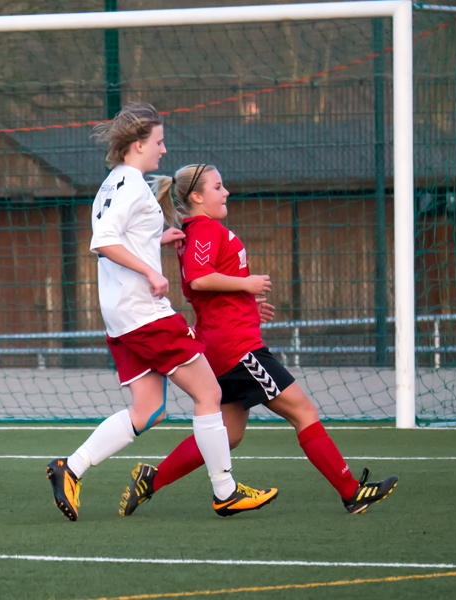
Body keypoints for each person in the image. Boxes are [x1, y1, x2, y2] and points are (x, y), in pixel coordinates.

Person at [119, 163, 398, 517]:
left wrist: (248, 303)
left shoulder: (200, 229)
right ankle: (351, 492)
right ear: (197, 197)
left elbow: (205, 288)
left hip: (225, 343)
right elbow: (199, 279)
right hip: (237, 348)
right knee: (303, 411)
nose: (226, 193)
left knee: (228, 435)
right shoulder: (204, 229)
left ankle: (151, 481)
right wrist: (246, 286)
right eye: (218, 187)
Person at [46, 103, 277, 521]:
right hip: (145, 313)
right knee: (210, 394)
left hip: (121, 316)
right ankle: (225, 491)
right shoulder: (133, 185)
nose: (164, 150)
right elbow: (103, 241)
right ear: (138, 144)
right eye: (158, 141)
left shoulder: (113, 182)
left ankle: (70, 467)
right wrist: (151, 270)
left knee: (148, 409)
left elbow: (125, 235)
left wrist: (158, 239)